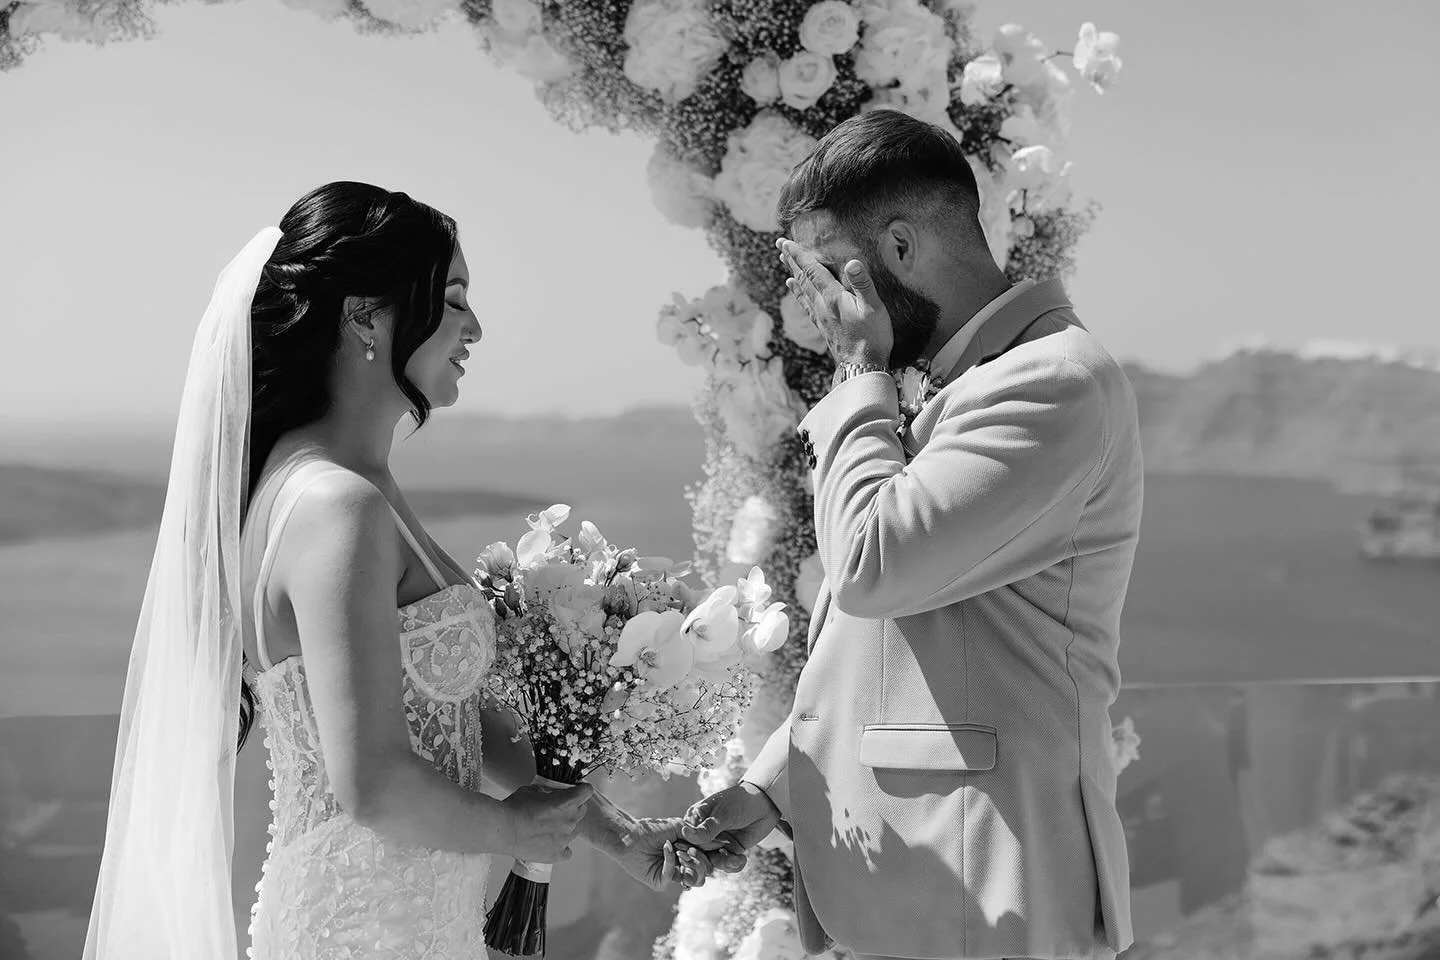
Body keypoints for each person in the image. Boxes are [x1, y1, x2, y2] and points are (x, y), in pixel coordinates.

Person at [83, 182, 732, 960]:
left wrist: (617, 834)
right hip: (366, 929)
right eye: (452, 299)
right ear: (365, 316)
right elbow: (375, 784)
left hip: (402, 919)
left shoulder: (344, 488)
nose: (475, 327)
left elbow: (453, 725)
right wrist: (512, 830)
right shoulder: (337, 506)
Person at [684, 110, 1144, 960]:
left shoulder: (1052, 383)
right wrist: (774, 787)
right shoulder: (967, 381)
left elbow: (870, 568)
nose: (823, 308)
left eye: (830, 270)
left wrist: (859, 370)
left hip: (987, 894)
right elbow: (895, 642)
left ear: (898, 247)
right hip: (925, 892)